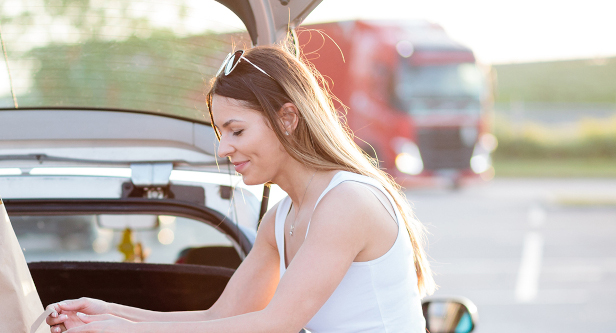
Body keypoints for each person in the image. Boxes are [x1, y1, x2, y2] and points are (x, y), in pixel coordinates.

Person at [45, 44, 436, 332]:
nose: (222, 148)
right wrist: (108, 313)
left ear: (287, 118)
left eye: (237, 130)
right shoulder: (279, 220)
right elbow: (220, 318)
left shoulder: (346, 202)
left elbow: (275, 323)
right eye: (221, 132)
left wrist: (126, 331)